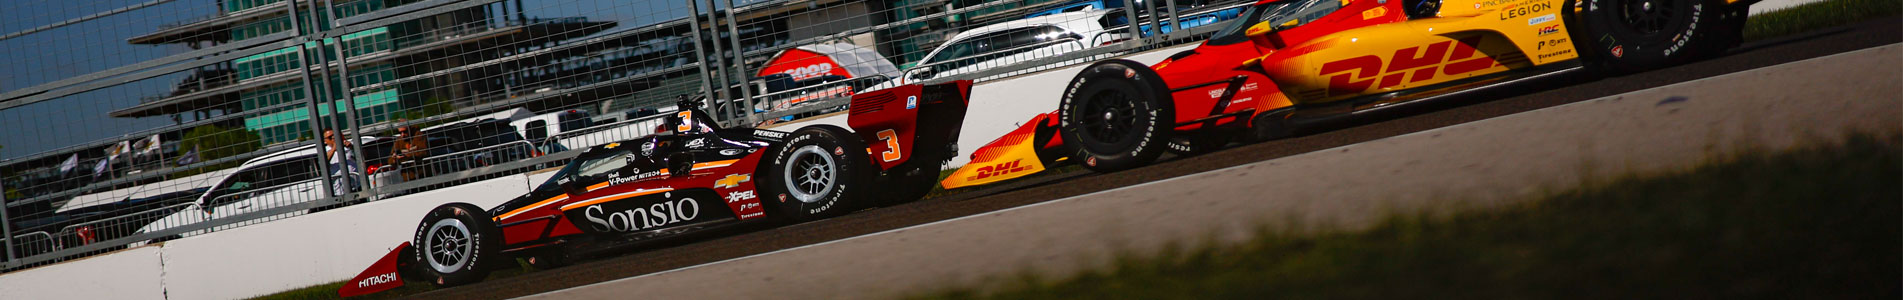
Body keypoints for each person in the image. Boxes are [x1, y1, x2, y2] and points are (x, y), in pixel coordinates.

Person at [322, 129, 361, 196]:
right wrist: (334, 148)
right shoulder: (325, 151)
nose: (333, 138)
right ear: (325, 140)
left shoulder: (347, 147)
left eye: (334, 136)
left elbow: (361, 157)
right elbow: (323, 163)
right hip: (339, 191)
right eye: (330, 137)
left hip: (356, 186)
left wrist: (351, 147)